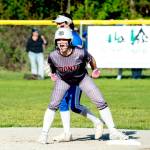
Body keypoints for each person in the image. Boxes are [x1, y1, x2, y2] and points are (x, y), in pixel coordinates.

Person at [38, 28, 129, 144]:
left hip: (82, 78)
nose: (61, 42)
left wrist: (95, 69)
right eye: (59, 40)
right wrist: (52, 74)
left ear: (70, 41)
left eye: (64, 39)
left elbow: (91, 59)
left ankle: (113, 131)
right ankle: (44, 134)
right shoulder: (53, 55)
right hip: (64, 80)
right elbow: (51, 65)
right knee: (53, 104)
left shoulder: (80, 52)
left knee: (100, 101)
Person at [49, 13, 103, 142]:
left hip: (76, 77)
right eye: (57, 23)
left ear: (68, 22)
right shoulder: (63, 36)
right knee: (65, 103)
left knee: (74, 105)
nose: (57, 25)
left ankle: (97, 122)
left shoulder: (75, 38)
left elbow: (81, 58)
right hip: (65, 76)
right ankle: (67, 133)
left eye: (60, 23)